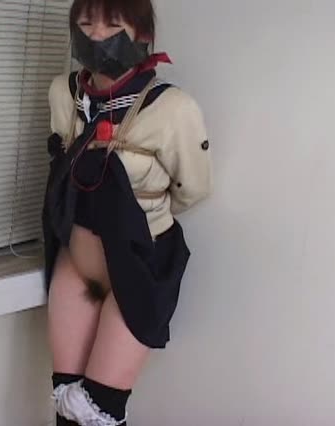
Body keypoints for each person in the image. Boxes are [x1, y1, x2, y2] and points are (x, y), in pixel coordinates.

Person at [42, 0, 212, 424]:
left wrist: (137, 205)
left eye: (113, 24)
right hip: (75, 263)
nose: (96, 35)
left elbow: (192, 189)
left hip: (138, 266)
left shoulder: (173, 109)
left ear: (143, 35)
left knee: (99, 408)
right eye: (86, 23)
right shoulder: (63, 93)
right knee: (66, 407)